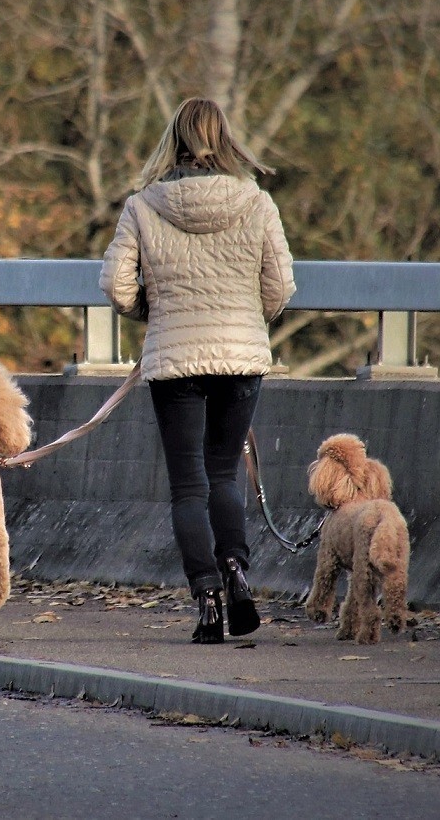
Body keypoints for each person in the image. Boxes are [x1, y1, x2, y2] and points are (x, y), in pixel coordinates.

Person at [99, 97, 295, 644]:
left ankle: (207, 598)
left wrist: (153, 312)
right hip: (240, 357)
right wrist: (248, 320)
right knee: (224, 473)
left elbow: (115, 287)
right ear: (225, 139)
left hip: (175, 360)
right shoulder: (256, 203)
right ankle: (236, 569)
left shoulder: (142, 206)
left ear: (173, 140)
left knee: (188, 486)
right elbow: (279, 289)